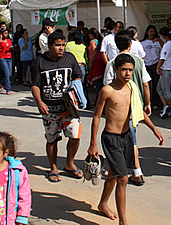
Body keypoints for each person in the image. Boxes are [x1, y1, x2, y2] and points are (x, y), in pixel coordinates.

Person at [89, 54, 163, 223]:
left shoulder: (131, 88)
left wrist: (154, 130)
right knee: (123, 178)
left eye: (130, 70)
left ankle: (103, 204)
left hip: (126, 137)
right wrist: (93, 143)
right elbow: (96, 117)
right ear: (115, 70)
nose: (128, 73)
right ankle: (123, 221)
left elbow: (139, 111)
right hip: (111, 138)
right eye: (124, 70)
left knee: (114, 173)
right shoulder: (107, 90)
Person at [104, 30, 162, 186]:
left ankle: (135, 171)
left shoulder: (112, 63)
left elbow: (107, 86)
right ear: (131, 44)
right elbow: (145, 84)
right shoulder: (139, 62)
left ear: (116, 45)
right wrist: (147, 102)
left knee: (128, 140)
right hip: (136, 107)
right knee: (130, 139)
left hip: (120, 111)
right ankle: (132, 170)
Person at [31, 31, 83, 182]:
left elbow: (77, 76)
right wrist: (39, 102)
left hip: (69, 108)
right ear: (49, 46)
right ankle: (53, 168)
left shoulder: (69, 58)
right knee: (52, 139)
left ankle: (70, 163)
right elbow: (35, 85)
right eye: (57, 45)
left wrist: (75, 91)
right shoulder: (39, 62)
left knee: (75, 136)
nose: (61, 48)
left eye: (63, 45)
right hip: (49, 109)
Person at [0, 132, 31, 225]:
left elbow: (25, 195)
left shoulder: (17, 170)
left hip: (8, 219)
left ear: (5, 153)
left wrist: (22, 217)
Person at [157, 27, 171, 118]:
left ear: (163, 36)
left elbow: (163, 58)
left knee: (166, 90)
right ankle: (166, 106)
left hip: (167, 70)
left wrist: (158, 67)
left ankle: (170, 110)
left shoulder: (168, 45)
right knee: (159, 88)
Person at [141, 25, 163, 109]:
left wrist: (159, 40)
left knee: (156, 84)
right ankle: (148, 102)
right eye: (151, 31)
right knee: (148, 85)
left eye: (154, 31)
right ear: (147, 32)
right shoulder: (142, 43)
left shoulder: (158, 42)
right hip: (147, 65)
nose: (152, 33)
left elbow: (163, 50)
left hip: (156, 65)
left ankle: (156, 102)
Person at [87, 28, 105, 98]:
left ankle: (98, 98)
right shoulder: (100, 41)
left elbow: (94, 52)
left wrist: (90, 63)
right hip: (101, 60)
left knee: (97, 81)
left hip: (96, 61)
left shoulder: (92, 42)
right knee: (101, 80)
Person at [0, 28, 13, 95]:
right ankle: (8, 89)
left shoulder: (8, 40)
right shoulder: (1, 41)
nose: (6, 34)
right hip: (2, 57)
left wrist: (12, 48)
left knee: (9, 73)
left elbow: (11, 47)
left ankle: (1, 83)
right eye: (5, 33)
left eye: (7, 33)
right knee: (7, 73)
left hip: (9, 57)